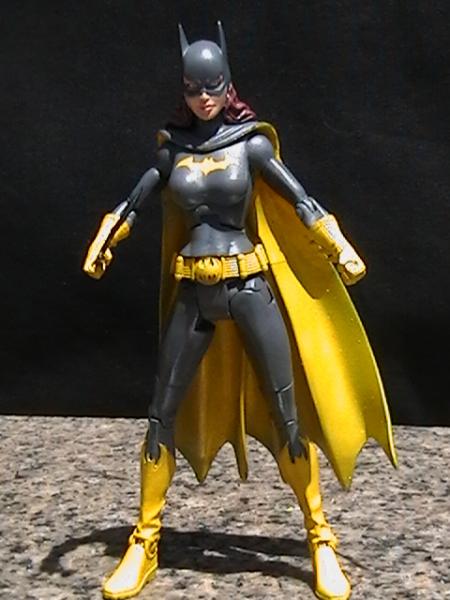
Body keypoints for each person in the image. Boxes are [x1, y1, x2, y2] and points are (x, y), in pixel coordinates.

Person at [83, 22, 397, 600]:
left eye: (213, 86)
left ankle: (320, 537)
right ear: (183, 88)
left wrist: (339, 247)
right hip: (193, 292)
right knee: (160, 415)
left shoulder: (250, 145)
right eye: (193, 88)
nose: (204, 98)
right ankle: (145, 540)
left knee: (287, 413)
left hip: (249, 286)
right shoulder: (172, 151)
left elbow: (300, 199)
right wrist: (107, 238)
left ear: (228, 84)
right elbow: (134, 201)